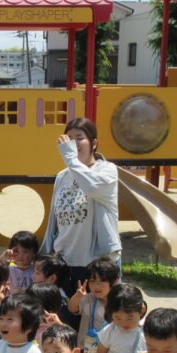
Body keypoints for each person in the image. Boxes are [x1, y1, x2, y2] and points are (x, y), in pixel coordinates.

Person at [40, 117, 121, 330]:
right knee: (65, 326)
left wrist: (70, 158)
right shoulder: (62, 176)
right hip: (65, 263)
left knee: (99, 328)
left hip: (96, 265)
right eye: (70, 139)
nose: (74, 144)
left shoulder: (107, 170)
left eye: (80, 138)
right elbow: (54, 218)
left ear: (94, 143)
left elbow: (92, 186)